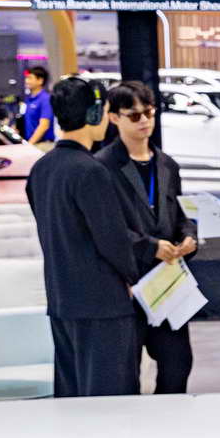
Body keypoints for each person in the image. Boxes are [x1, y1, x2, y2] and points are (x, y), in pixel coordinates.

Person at [24, 77, 141, 396]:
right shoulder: (91, 171)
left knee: (72, 398)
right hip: (102, 303)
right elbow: (112, 239)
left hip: (61, 299)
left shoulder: (41, 169)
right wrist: (131, 276)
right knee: (110, 399)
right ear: (93, 114)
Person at [96, 81, 198, 393]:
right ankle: (132, 421)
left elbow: (180, 212)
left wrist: (189, 236)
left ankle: (167, 417)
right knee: (125, 369)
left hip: (167, 281)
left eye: (149, 113)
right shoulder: (102, 167)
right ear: (114, 118)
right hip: (128, 281)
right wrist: (149, 247)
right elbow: (106, 228)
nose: (144, 121)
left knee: (178, 362)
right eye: (134, 115)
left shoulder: (167, 164)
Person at [19, 65, 53, 147]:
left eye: (30, 78)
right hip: (31, 143)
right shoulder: (29, 99)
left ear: (40, 80)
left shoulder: (46, 99)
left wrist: (29, 144)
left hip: (43, 144)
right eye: (26, 78)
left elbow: (44, 125)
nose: (26, 81)